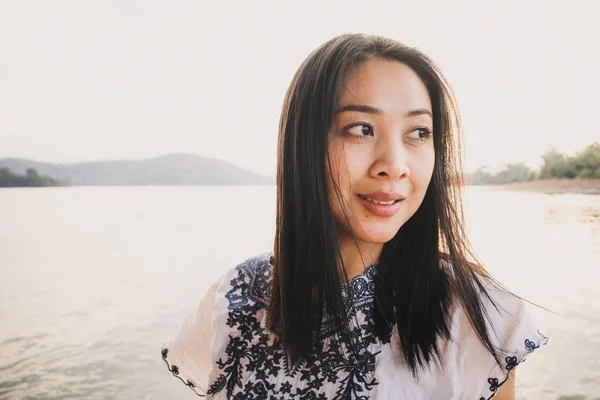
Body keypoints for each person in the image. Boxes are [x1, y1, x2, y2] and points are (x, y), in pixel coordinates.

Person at [160, 33, 548, 399]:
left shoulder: (482, 320)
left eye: (418, 132)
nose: (394, 166)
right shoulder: (235, 300)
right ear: (305, 145)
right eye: (361, 129)